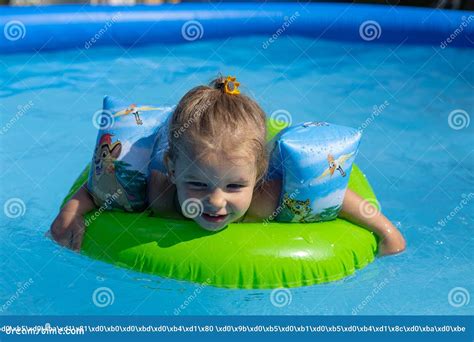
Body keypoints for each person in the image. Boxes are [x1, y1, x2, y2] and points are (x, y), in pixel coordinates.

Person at [50, 76, 406, 256]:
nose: (216, 202)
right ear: (173, 170)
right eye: (199, 185)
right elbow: (99, 192)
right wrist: (73, 211)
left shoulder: (268, 201)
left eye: (235, 186)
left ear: (259, 175)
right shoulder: (159, 190)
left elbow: (332, 195)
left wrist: (385, 230)